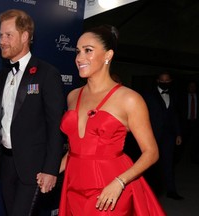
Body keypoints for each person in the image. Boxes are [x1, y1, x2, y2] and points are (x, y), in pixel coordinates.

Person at [56, 25, 166, 216]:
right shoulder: (73, 96)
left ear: (108, 55)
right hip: (73, 185)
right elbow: (76, 148)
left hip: (109, 189)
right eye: (78, 51)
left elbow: (152, 152)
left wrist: (120, 182)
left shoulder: (129, 99)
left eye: (88, 50)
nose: (79, 58)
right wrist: (51, 171)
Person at [0, 9, 65, 216]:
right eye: (0, 35)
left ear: (25, 36)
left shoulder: (47, 74)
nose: (2, 40)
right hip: (7, 164)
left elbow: (56, 125)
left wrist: (50, 169)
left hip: (35, 169)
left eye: (8, 35)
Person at [144, 71, 183, 200]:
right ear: (158, 80)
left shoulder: (174, 95)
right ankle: (149, 192)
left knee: (168, 162)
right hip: (153, 134)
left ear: (170, 81)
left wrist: (178, 134)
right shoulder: (149, 95)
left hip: (169, 135)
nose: (165, 83)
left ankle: (171, 190)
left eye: (167, 81)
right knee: (151, 163)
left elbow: (175, 115)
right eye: (163, 80)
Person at [181, 81, 199, 164]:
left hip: (195, 122)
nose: (192, 88)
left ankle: (193, 159)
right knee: (184, 141)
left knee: (195, 142)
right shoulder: (183, 97)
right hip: (185, 122)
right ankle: (182, 159)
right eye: (190, 86)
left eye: (194, 86)